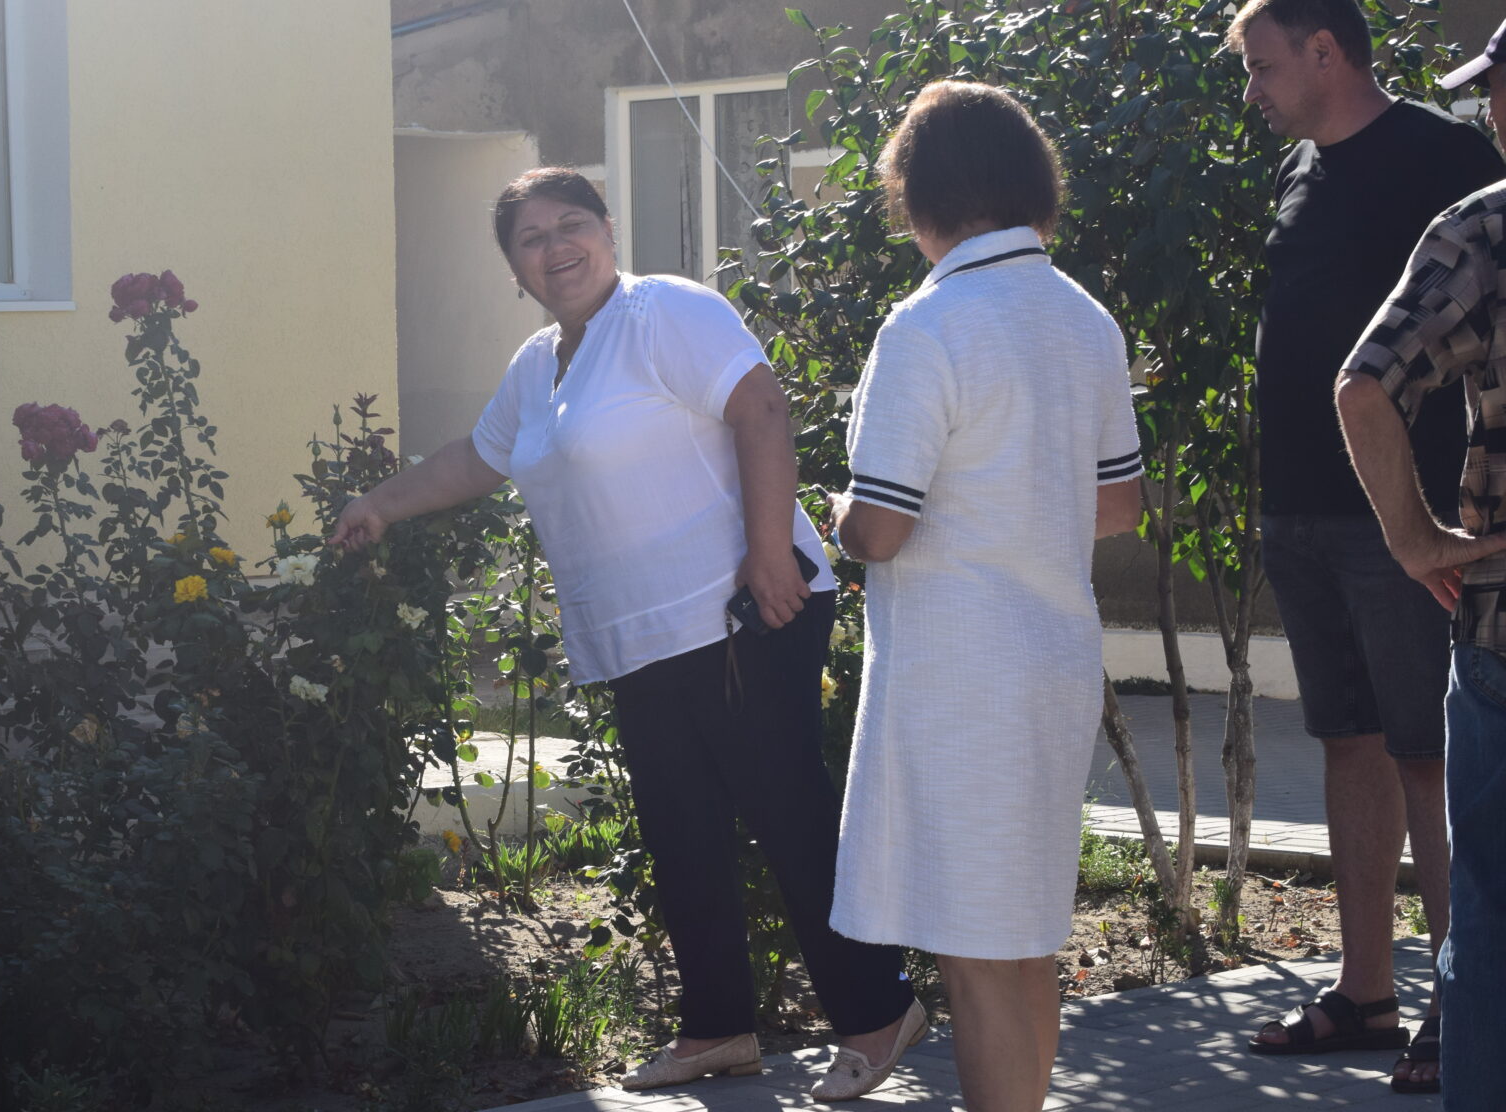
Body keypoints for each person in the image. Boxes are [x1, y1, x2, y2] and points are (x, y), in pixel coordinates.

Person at [328, 167, 921, 1098]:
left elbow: (762, 408)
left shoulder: (665, 312)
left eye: (571, 224)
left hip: (739, 615)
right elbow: (476, 458)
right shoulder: (538, 365)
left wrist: (772, 552)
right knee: (683, 835)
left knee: (788, 818)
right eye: (531, 238)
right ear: (513, 268)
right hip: (639, 639)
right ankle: (718, 1027)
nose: (555, 247)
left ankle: (879, 1012)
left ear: (608, 229)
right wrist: (380, 504)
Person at [827, 80, 1143, 1112]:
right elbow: (1118, 505)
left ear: (919, 196)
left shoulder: (928, 324)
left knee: (973, 953)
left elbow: (882, 528)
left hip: (958, 676)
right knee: (1023, 939)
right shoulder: (1085, 317)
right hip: (1054, 660)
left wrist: (838, 511)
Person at [1229, 0, 1504, 1092]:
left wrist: (1424, 524)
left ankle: (1457, 1004)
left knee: (1429, 753)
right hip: (1300, 505)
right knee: (1348, 739)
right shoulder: (1301, 168)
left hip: (1410, 525)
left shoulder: (1449, 158)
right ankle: (1367, 990)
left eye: (1262, 66)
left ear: (1325, 51)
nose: (1253, 91)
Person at [1336, 17, 1506, 1108]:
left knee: (1490, 914)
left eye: (1496, 88)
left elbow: (1365, 386)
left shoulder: (1484, 230)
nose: (1488, 109)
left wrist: (1413, 538)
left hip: (1502, 631)